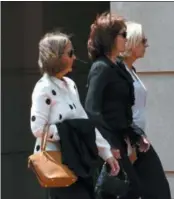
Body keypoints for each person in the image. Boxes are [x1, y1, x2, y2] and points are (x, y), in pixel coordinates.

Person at [30, 31, 119, 199]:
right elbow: (38, 128)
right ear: (54, 56)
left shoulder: (70, 85)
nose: (74, 57)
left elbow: (84, 123)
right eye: (70, 53)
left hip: (79, 159)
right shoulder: (43, 88)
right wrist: (67, 132)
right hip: (58, 163)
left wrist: (106, 153)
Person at [85, 12, 150, 199]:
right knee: (125, 190)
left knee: (127, 190)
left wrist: (136, 135)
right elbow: (92, 110)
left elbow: (122, 109)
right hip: (109, 141)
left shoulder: (118, 66)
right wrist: (107, 146)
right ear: (111, 38)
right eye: (123, 34)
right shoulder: (100, 68)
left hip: (121, 139)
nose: (126, 39)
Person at [120, 21, 171, 199]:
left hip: (138, 139)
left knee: (152, 190)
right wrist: (130, 145)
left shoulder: (130, 70)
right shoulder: (119, 72)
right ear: (132, 42)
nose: (146, 45)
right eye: (143, 40)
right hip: (129, 142)